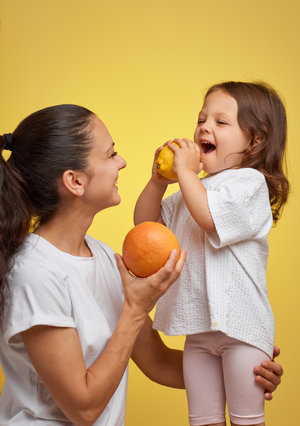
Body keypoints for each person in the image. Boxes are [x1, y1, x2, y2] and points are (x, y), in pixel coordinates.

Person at [0, 104, 282, 426]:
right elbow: (84, 408)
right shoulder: (34, 272)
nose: (122, 162)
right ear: (75, 181)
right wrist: (135, 309)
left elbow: (158, 362)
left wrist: (244, 368)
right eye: (111, 154)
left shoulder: (104, 258)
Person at [134, 82, 289, 426]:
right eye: (202, 118)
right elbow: (145, 226)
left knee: (246, 420)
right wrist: (159, 181)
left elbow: (209, 218)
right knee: (202, 420)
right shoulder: (191, 192)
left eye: (221, 122)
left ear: (255, 140)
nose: (204, 127)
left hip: (242, 329)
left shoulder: (249, 184)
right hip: (198, 330)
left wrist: (186, 173)